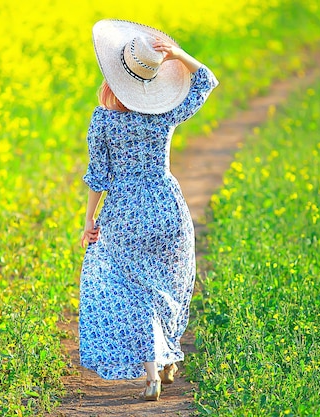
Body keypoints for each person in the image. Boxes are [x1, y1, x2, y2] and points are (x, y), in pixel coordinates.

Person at [79, 19, 218, 401]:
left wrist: (90, 220)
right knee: (167, 286)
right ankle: (168, 351)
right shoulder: (165, 113)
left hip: (123, 212)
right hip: (166, 208)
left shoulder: (103, 119)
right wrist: (178, 56)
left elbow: (99, 175)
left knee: (131, 288)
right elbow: (206, 80)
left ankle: (153, 372)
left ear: (112, 76)